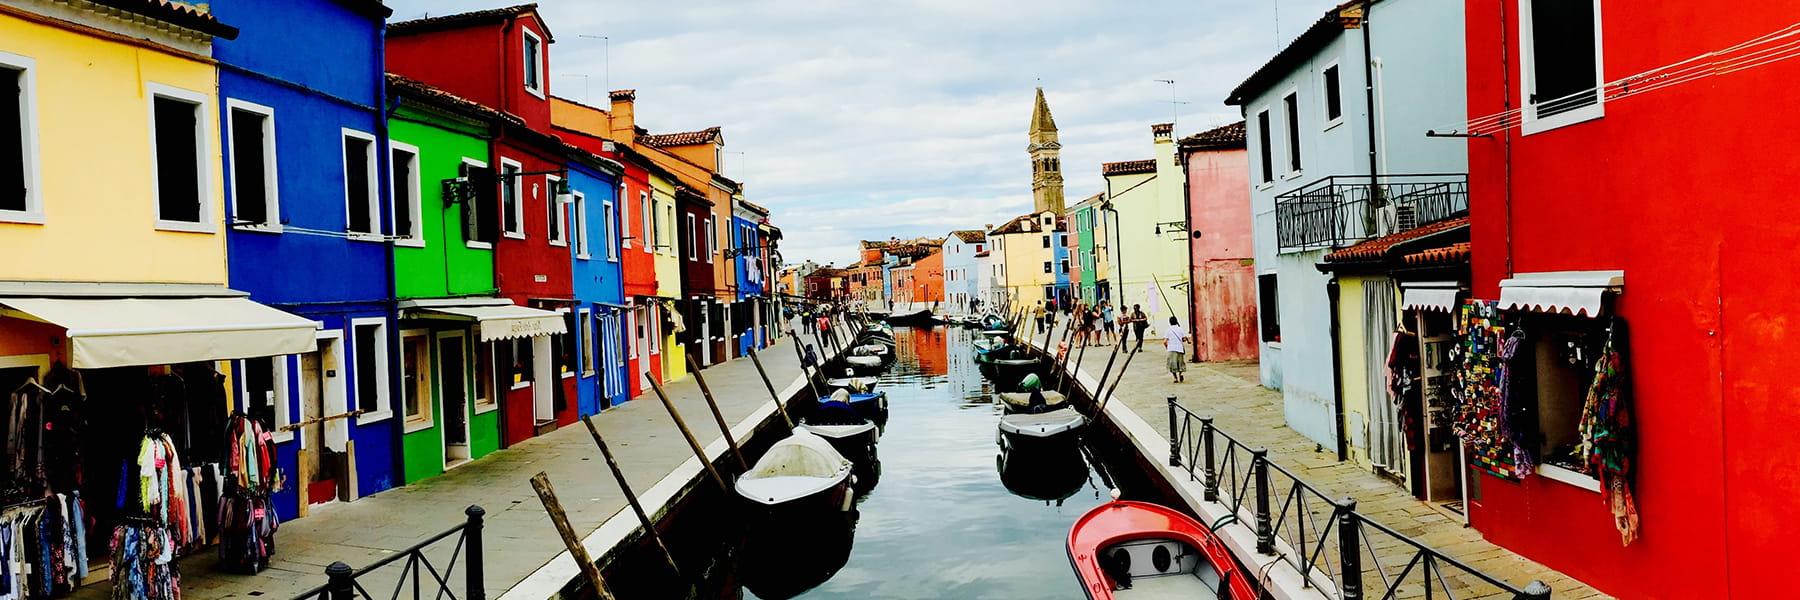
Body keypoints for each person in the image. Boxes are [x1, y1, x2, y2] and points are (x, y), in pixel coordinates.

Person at [1164, 316, 1189, 383]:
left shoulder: (1168, 330)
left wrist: (1167, 348)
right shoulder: (1180, 329)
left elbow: (1165, 341)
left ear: (1170, 322)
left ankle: (1175, 378)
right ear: (1176, 321)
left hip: (1171, 349)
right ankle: (1181, 374)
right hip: (1179, 348)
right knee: (1180, 363)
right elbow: (1183, 339)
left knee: (1172, 364)